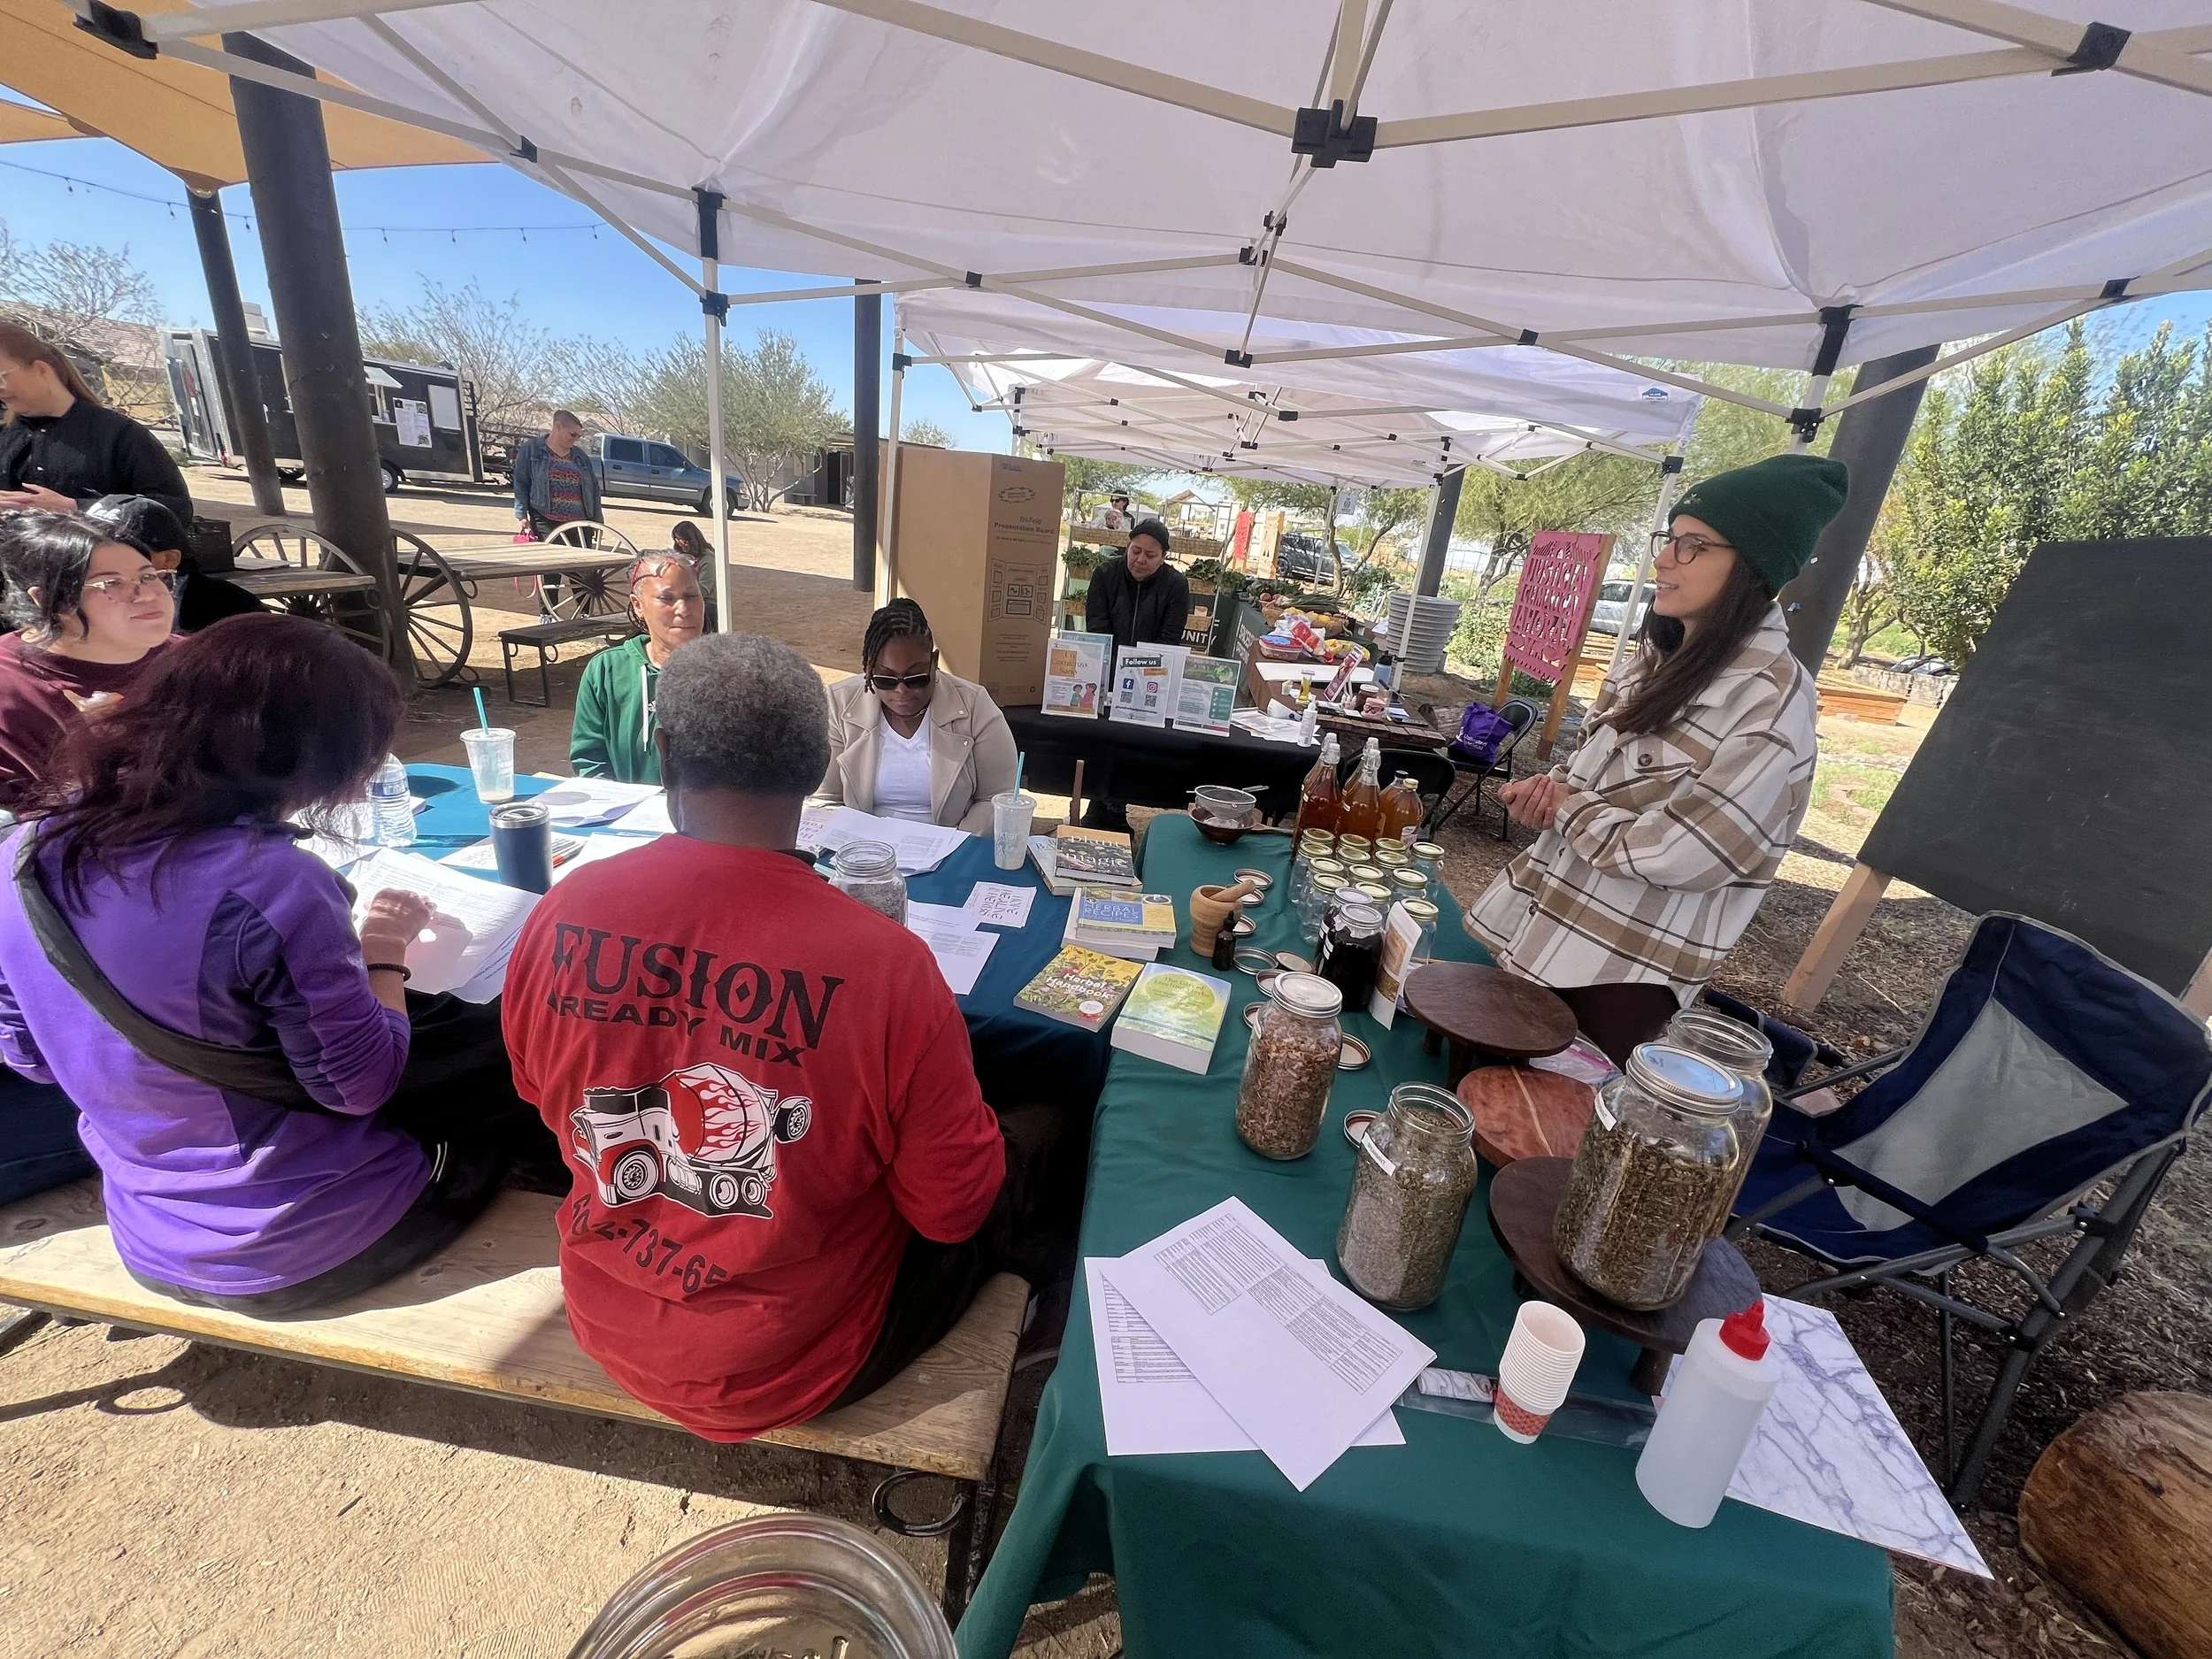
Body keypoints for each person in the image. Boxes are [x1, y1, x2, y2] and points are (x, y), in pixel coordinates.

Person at [504, 632, 1056, 1440]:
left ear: (665, 756)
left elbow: (536, 1092)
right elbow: (951, 1213)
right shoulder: (891, 969)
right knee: (1047, 1126)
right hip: (802, 1356)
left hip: (609, 1311)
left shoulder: (562, 908)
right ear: (813, 768)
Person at [0, 614, 559, 1313]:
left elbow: (30, 1056)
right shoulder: (272, 883)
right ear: (304, 759)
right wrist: (384, 953)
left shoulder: (23, 853)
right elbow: (360, 1085)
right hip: (313, 1237)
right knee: (507, 1063)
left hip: (149, 1232)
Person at [1464, 454, 1845, 1065]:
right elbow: (1587, 783)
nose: (1665, 558)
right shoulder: (1653, 660)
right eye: (1669, 539)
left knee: (1536, 1137)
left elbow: (1685, 852)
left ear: (1753, 566)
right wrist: (1547, 795)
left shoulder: (1770, 700)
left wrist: (1568, 809)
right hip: (1541, 930)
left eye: (1694, 544)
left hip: (1619, 976)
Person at [0, 511, 180, 811]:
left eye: (148, 576)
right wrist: (102, 752)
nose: (148, 594)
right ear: (50, 601)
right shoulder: (11, 688)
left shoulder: (199, 661)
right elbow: (22, 838)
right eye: (111, 583)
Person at [818, 599, 1018, 833]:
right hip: (864, 852)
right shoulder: (840, 702)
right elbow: (825, 799)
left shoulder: (974, 706)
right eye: (885, 680)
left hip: (950, 851)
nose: (901, 692)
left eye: (916, 679)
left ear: (934, 662)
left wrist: (955, 848)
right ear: (868, 669)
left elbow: (996, 797)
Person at [0, 321, 193, 528]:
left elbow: (175, 508)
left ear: (41, 369)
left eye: (1, 378)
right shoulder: (5, 433)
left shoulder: (119, 434)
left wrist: (77, 507)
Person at [569, 550, 707, 784]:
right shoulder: (607, 671)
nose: (683, 609)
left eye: (691, 595)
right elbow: (589, 760)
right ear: (638, 605)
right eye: (667, 598)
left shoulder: (730, 672)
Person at [81, 495, 265, 634]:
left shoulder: (233, 610)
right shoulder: (76, 596)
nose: (94, 561)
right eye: (84, 548)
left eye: (118, 553)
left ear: (169, 559)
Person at [1084, 517, 1190, 649]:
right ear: (1128, 547)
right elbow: (1097, 627)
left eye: (1150, 555)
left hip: (1151, 664)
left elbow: (1170, 638)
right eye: (1136, 551)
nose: (1140, 560)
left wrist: (1139, 664)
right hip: (1108, 660)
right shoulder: (1104, 574)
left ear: (1163, 557)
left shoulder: (1176, 585)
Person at [511, 410, 601, 542]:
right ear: (558, 426)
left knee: (581, 562)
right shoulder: (532, 449)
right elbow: (521, 483)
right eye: (573, 434)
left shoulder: (580, 456)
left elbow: (594, 489)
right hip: (546, 522)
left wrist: (597, 520)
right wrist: (522, 515)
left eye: (578, 436)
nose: (575, 439)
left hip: (580, 525)